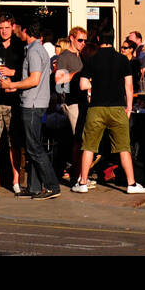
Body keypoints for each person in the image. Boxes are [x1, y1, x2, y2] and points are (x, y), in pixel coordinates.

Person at [71, 32, 145, 194]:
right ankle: (131, 184)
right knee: (124, 147)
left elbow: (83, 85)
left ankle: (82, 182)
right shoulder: (122, 59)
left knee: (89, 146)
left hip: (96, 108)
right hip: (117, 108)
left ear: (98, 40)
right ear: (114, 39)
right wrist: (129, 108)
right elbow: (129, 86)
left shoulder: (92, 59)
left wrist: (93, 84)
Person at [0, 20, 59, 199]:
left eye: (18, 28)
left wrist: (12, 83)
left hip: (33, 104)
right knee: (33, 146)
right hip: (32, 102)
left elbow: (34, 79)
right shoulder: (34, 49)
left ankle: (52, 186)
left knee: (34, 148)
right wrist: (16, 87)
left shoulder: (34, 51)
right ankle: (33, 187)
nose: (16, 31)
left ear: (25, 30)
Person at [0, 14, 26, 194]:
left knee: (14, 143)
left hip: (13, 101)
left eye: (7, 27)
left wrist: (12, 71)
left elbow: (27, 71)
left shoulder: (20, 45)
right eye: (1, 27)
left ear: (13, 27)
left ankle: (16, 182)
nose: (4, 31)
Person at [55, 26, 88, 180]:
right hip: (70, 101)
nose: (83, 43)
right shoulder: (64, 56)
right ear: (72, 38)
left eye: (85, 41)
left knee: (83, 138)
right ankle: (78, 176)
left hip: (83, 100)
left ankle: (82, 174)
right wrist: (77, 74)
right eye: (80, 40)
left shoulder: (81, 56)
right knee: (78, 138)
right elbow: (59, 81)